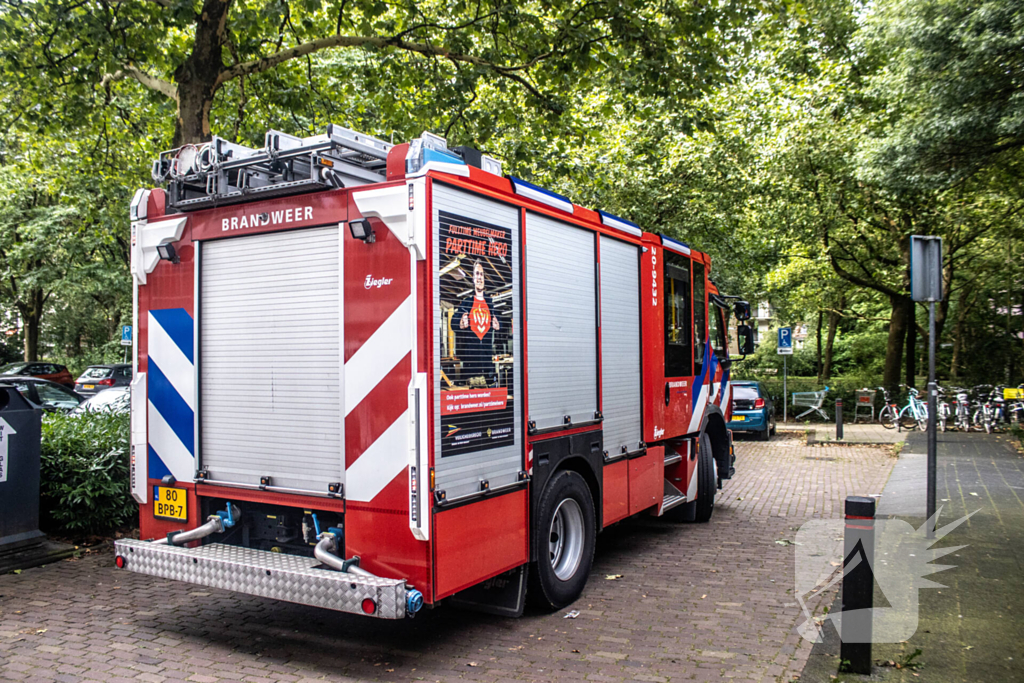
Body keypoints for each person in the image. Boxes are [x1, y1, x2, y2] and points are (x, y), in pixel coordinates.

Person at [456, 260, 500, 385]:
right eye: (477, 274)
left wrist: (498, 324)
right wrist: (460, 322)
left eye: (481, 274)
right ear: (473, 278)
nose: (479, 277)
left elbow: (498, 318)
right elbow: (454, 320)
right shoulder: (467, 302)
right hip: (472, 369)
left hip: (487, 367)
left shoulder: (489, 303)